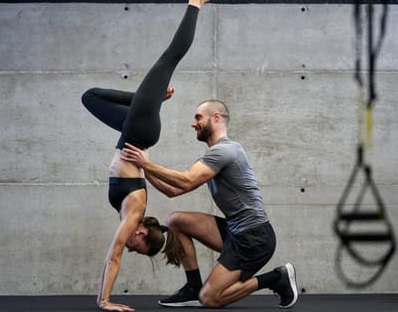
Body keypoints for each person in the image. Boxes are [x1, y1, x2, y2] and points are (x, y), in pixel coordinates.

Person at [81, 0, 210, 311]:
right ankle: (197, 0)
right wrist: (104, 301)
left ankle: (145, 98)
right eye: (137, 246)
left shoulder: (132, 212)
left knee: (90, 97)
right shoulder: (134, 214)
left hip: (133, 129)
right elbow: (114, 256)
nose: (130, 246)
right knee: (171, 56)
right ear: (141, 235)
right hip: (139, 132)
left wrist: (149, 101)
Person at [121, 100, 299, 309]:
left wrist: (145, 163)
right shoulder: (215, 155)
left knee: (210, 298)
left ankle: (276, 278)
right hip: (236, 231)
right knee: (176, 221)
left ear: (216, 117)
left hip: (254, 238)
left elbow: (185, 180)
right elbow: (173, 190)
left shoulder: (225, 151)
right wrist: (144, 168)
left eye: (198, 117)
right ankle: (192, 288)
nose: (193, 123)